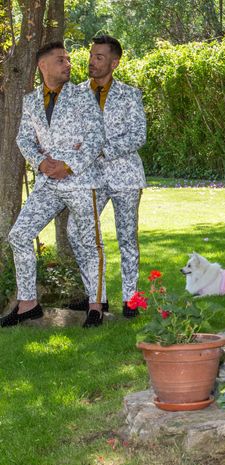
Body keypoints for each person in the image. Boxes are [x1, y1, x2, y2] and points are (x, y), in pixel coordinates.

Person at [0, 41, 106, 328]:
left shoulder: (84, 96)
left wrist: (68, 164)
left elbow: (97, 137)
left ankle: (96, 306)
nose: (68, 64)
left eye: (69, 59)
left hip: (82, 181)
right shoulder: (31, 101)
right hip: (48, 183)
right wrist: (41, 163)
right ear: (42, 66)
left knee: (89, 242)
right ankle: (28, 304)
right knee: (19, 236)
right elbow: (24, 139)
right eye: (61, 60)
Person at [67, 35, 147, 317]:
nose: (92, 61)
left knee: (127, 238)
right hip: (88, 180)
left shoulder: (130, 94)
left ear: (114, 62)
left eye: (99, 57)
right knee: (76, 232)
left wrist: (101, 149)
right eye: (91, 55)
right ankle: (96, 297)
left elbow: (138, 135)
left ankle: (130, 300)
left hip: (125, 176)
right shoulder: (74, 94)